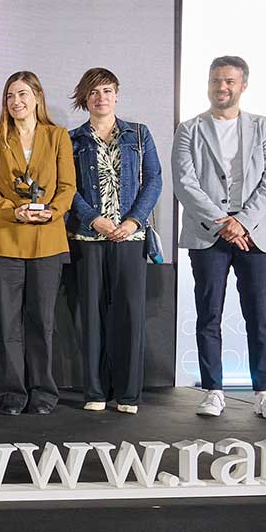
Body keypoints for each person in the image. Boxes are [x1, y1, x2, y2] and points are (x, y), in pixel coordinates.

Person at [173, 55, 266, 419]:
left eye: (229, 81)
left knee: (259, 314)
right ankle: (213, 390)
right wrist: (223, 223)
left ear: (243, 85)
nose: (221, 87)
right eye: (215, 80)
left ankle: (264, 392)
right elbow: (184, 182)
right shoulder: (189, 129)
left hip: (254, 235)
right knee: (209, 314)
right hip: (208, 234)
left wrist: (244, 222)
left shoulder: (264, 126)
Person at [0, 71, 75, 415]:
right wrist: (13, 211)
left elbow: (68, 187)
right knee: (6, 322)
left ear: (37, 97)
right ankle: (10, 393)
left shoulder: (57, 136)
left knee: (41, 321)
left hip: (48, 240)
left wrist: (52, 212)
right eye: (10, 95)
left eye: (22, 94)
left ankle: (43, 392)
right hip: (5, 240)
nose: (15, 101)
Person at [67, 68, 162, 414]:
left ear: (117, 94)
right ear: (84, 98)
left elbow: (154, 179)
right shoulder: (72, 139)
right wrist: (94, 219)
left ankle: (128, 394)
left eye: (107, 90)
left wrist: (133, 220)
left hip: (131, 237)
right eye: (94, 92)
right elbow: (67, 188)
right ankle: (95, 391)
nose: (101, 97)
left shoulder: (138, 134)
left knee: (129, 316)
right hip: (88, 237)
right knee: (91, 317)